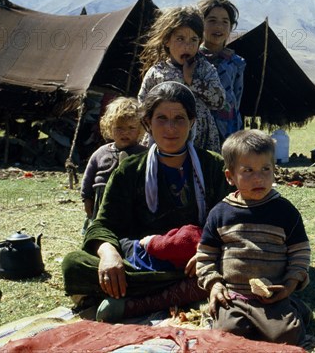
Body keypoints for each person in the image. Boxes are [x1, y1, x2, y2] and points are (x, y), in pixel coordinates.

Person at [62, 82, 232, 323]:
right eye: (161, 118)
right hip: (140, 264)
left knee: (237, 261)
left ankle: (137, 303)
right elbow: (103, 225)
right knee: (74, 265)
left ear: (192, 122)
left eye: (179, 119)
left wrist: (209, 252)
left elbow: (235, 221)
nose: (170, 128)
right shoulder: (130, 170)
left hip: (197, 261)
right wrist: (110, 254)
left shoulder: (213, 166)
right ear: (147, 123)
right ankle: (187, 292)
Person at [196, 129, 312, 346]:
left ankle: (295, 307)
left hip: (273, 296)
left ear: (274, 171)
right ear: (230, 177)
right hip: (233, 297)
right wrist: (214, 284)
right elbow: (205, 256)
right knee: (227, 337)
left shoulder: (284, 211)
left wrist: (289, 284)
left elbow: (300, 252)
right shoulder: (220, 213)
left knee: (287, 337)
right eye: (248, 170)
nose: (258, 177)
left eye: (265, 169)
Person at [138, 6, 226, 152]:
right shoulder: (157, 72)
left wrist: (193, 81)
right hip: (164, 135)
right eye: (180, 39)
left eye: (193, 40)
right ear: (167, 41)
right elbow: (142, 105)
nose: (187, 46)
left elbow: (219, 101)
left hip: (200, 138)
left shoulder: (205, 69)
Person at [80, 97, 147, 234]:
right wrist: (87, 198)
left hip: (130, 199)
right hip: (102, 197)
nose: (125, 132)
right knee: (102, 227)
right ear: (109, 128)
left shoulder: (143, 154)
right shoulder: (101, 153)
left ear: (140, 130)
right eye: (119, 128)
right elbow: (88, 176)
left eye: (131, 128)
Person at [198, 0, 246, 143]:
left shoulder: (236, 63)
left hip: (229, 129)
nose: (218, 26)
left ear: (231, 27)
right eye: (211, 20)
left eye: (225, 22)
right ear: (200, 24)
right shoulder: (192, 59)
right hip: (198, 128)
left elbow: (236, 100)